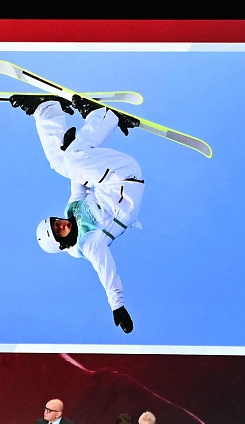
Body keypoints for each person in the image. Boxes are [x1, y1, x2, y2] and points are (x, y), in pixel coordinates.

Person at [11, 92, 145, 335]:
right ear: (63, 244)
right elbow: (107, 272)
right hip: (124, 182)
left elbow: (77, 182)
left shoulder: (72, 210)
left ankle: (54, 111)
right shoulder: (90, 244)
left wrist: (71, 146)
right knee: (68, 162)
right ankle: (100, 116)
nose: (61, 224)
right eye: (58, 231)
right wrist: (118, 307)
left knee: (63, 162)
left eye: (55, 222)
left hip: (113, 177)